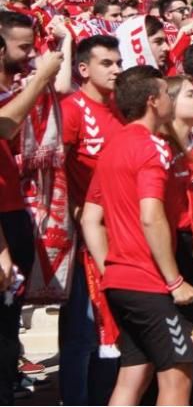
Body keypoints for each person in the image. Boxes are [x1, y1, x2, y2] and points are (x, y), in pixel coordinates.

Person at [80, 65, 193, 406]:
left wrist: (110, 269)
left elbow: (91, 219)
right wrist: (175, 281)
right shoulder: (152, 147)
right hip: (149, 283)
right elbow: (151, 216)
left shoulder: (113, 144)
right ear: (152, 101)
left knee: (134, 375)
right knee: (177, 377)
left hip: (120, 279)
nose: (168, 100)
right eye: (164, 93)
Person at [0, 13, 64, 403]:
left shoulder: (17, 85)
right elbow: (6, 125)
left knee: (8, 325)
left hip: (14, 212)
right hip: (3, 222)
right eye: (22, 47)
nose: (29, 55)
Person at [58, 36, 124, 406]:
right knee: (83, 332)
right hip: (84, 241)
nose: (116, 69)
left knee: (111, 332)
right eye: (107, 63)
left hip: (122, 236)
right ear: (83, 69)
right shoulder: (72, 109)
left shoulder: (121, 110)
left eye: (118, 62)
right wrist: (74, 214)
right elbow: (55, 168)